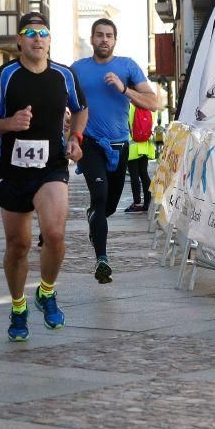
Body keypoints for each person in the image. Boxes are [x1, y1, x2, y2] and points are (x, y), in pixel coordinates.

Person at [0, 12, 87, 342]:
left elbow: (81, 109)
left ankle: (47, 292)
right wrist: (9, 123)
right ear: (19, 42)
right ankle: (18, 305)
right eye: (30, 32)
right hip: (13, 171)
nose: (38, 38)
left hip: (52, 167)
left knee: (54, 233)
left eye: (43, 32)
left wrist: (75, 138)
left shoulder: (64, 75)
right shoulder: (5, 76)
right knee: (18, 244)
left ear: (50, 40)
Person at [71, 18, 157, 284]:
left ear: (115, 40)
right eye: (99, 35)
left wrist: (124, 89)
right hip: (90, 144)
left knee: (107, 207)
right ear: (92, 38)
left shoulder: (127, 66)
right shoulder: (77, 69)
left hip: (120, 146)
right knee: (99, 197)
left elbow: (153, 102)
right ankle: (102, 260)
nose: (104, 39)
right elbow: (64, 102)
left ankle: (95, 217)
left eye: (109, 35)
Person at [124, 102, 156, 213]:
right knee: (144, 173)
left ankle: (137, 203)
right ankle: (148, 202)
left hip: (133, 146)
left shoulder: (129, 105)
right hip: (145, 145)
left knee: (134, 175)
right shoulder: (147, 105)